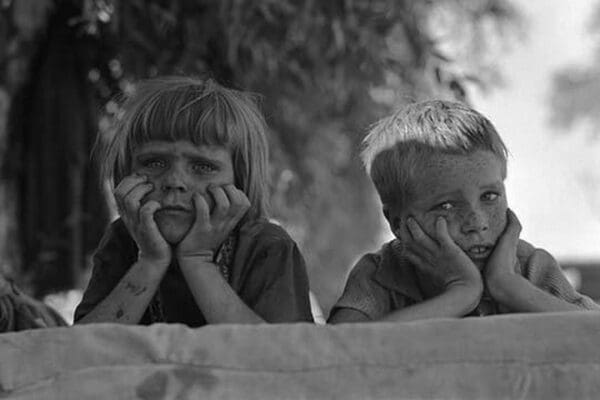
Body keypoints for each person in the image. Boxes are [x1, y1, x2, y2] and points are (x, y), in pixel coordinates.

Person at [329, 100, 600, 323]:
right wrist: (461, 292)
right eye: (446, 206)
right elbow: (338, 352)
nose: (477, 223)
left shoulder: (531, 266)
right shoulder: (380, 274)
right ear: (397, 224)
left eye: (490, 196)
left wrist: (509, 286)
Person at [75, 76, 313, 326]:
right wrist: (150, 261)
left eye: (203, 166)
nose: (174, 181)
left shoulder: (267, 247)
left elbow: (277, 358)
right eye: (154, 163)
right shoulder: (123, 240)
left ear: (239, 182)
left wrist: (197, 260)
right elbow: (77, 353)